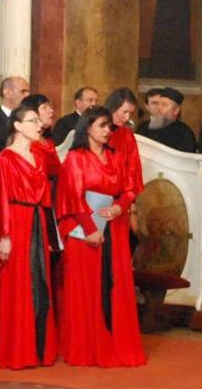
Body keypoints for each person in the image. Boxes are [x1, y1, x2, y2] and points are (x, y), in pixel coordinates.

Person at [59, 105, 146, 367]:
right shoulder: (76, 158)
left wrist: (120, 206)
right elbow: (73, 199)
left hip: (114, 228)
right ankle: (87, 347)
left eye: (109, 126)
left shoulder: (115, 157)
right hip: (84, 231)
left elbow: (130, 187)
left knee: (113, 283)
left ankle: (113, 342)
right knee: (86, 289)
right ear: (87, 129)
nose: (108, 131)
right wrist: (90, 229)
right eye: (102, 126)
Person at [0, 101, 61, 369]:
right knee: (18, 284)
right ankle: (19, 350)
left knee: (39, 280)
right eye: (32, 121)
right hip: (16, 223)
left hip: (37, 222)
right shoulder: (4, 160)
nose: (39, 125)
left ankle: (40, 348)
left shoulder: (40, 156)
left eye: (38, 121)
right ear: (17, 126)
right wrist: (4, 235)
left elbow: (54, 178)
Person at [139, 87, 197, 152]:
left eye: (164, 105)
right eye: (158, 104)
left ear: (176, 111)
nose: (159, 108)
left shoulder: (185, 133)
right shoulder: (143, 128)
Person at [52, 86, 102, 153]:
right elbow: (57, 149)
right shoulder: (64, 122)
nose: (94, 104)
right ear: (78, 103)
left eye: (96, 101)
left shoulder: (100, 122)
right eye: (90, 100)